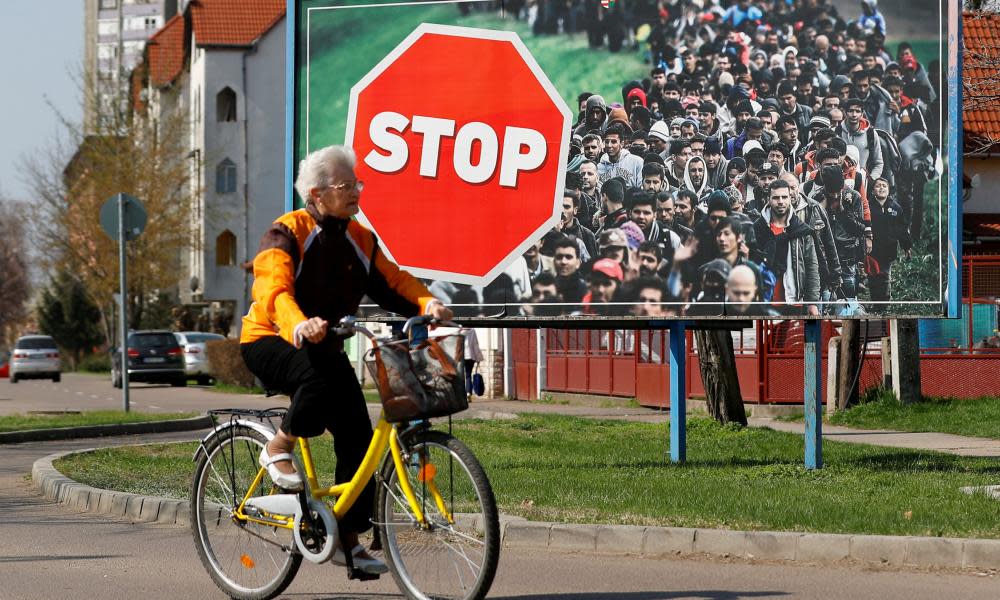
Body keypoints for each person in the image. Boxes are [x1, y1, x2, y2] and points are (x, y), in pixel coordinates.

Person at [240, 145, 453, 575]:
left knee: (357, 431)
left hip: (322, 346)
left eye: (357, 183)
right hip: (270, 339)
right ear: (317, 194)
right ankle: (277, 448)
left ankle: (349, 541)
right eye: (344, 185)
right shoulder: (285, 233)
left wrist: (427, 303)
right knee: (317, 380)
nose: (355, 191)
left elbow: (394, 282)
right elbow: (273, 291)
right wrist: (298, 323)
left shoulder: (359, 239)